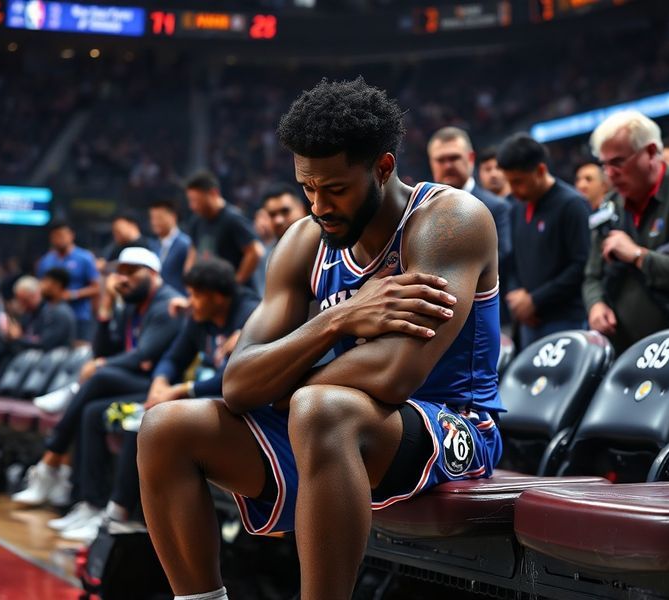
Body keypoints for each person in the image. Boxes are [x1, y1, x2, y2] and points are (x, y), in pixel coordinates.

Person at [138, 77, 503, 600]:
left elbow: (397, 373)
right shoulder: (306, 240)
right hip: (330, 427)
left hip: (453, 424)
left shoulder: (448, 222)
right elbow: (239, 383)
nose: (318, 205)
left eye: (335, 189)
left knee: (318, 407)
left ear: (382, 167)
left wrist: (287, 386)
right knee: (165, 427)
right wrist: (338, 319)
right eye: (307, 188)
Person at [49, 258, 260, 543]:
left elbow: (233, 377)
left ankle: (117, 515)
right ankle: (92, 504)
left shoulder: (250, 316)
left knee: (142, 422)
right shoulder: (200, 319)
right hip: (199, 398)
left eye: (196, 295)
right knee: (95, 413)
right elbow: (173, 358)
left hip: (238, 405)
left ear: (218, 296)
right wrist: (161, 382)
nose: (190, 301)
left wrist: (180, 390)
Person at [12, 247, 183, 507]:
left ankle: (51, 460)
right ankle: (86, 501)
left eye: (130, 272)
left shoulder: (166, 304)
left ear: (152, 273)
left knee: (100, 377)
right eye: (119, 273)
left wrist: (102, 364)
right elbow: (105, 350)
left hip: (159, 389)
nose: (122, 279)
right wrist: (104, 311)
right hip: (132, 380)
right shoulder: (131, 304)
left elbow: (144, 356)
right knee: (90, 411)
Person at [583, 110, 669, 353]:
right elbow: (592, 275)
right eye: (604, 165)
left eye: (617, 162)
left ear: (650, 152)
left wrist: (637, 255)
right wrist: (596, 305)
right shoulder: (609, 205)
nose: (610, 173)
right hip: (623, 351)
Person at [497, 133, 590, 347]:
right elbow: (513, 261)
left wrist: (535, 300)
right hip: (529, 321)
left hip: (566, 320)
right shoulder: (515, 207)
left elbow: (581, 265)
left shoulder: (572, 205)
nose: (513, 190)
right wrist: (516, 296)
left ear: (540, 170)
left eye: (518, 182)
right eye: (510, 182)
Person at [427, 127, 512, 327]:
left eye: (454, 158)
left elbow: (504, 257)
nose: (448, 165)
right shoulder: (422, 209)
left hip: (487, 316)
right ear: (431, 163)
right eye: (441, 160)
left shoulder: (497, 207)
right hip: (440, 321)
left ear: (470, 158)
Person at [184, 170, 265, 291]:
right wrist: (190, 284)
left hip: (233, 296)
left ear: (213, 193)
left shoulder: (233, 218)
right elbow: (193, 253)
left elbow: (255, 251)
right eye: (190, 201)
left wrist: (236, 282)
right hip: (208, 293)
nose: (192, 206)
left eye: (196, 200)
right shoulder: (196, 221)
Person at [37, 220, 100, 342]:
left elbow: (96, 288)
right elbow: (41, 286)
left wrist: (73, 295)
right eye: (55, 236)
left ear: (71, 235)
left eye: (62, 235)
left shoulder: (85, 258)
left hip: (80, 316)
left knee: (79, 352)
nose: (59, 239)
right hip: (52, 316)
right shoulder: (46, 261)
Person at [253, 183, 309, 295]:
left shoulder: (327, 245)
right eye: (272, 214)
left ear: (301, 209)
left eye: (285, 211)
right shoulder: (266, 258)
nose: (279, 220)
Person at [8, 269, 76, 352]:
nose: (41, 285)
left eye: (46, 281)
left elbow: (45, 344)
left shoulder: (60, 312)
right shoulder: (44, 309)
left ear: (56, 285)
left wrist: (18, 338)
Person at [149, 200, 191, 295]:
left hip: (178, 297)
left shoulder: (185, 244)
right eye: (152, 218)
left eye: (159, 218)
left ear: (173, 217)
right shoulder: (154, 245)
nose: (155, 222)